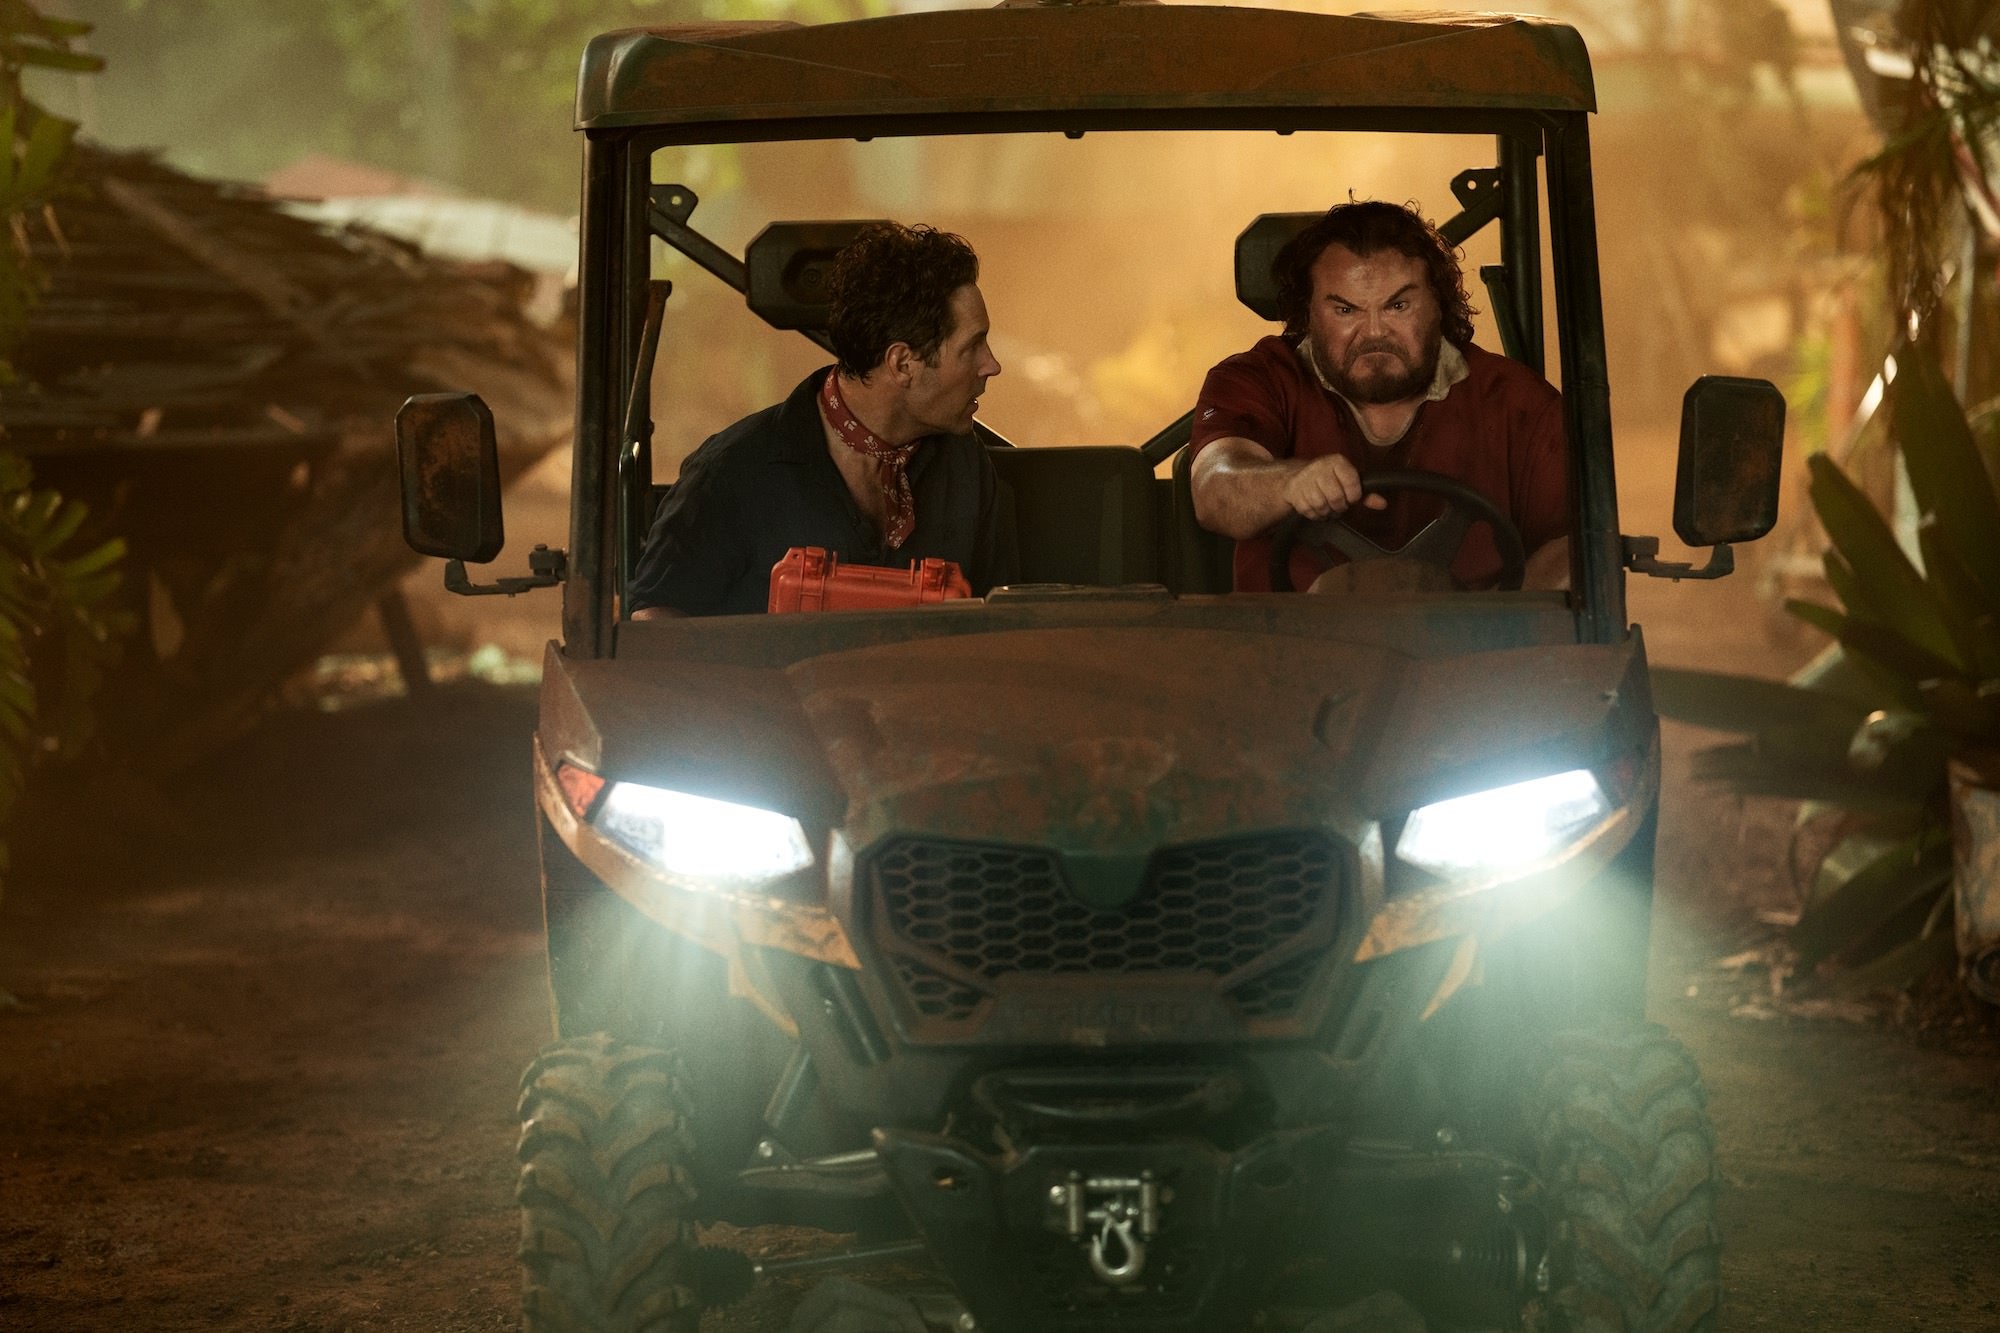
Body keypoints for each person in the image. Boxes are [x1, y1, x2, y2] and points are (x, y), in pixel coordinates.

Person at [629, 222, 1011, 617]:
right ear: (903, 364)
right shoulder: (732, 472)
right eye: (972, 347)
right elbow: (654, 621)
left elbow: (997, 621)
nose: (992, 365)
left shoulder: (966, 465)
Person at [1188, 199, 1570, 593]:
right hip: (1286, 647)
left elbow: (1573, 549)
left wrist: (1506, 628)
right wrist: (1289, 482)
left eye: (1397, 306)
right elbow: (1215, 487)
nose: (1373, 333)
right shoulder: (1258, 380)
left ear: (1439, 303)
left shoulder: (1517, 401)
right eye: (1346, 310)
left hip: (1472, 650)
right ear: (1308, 313)